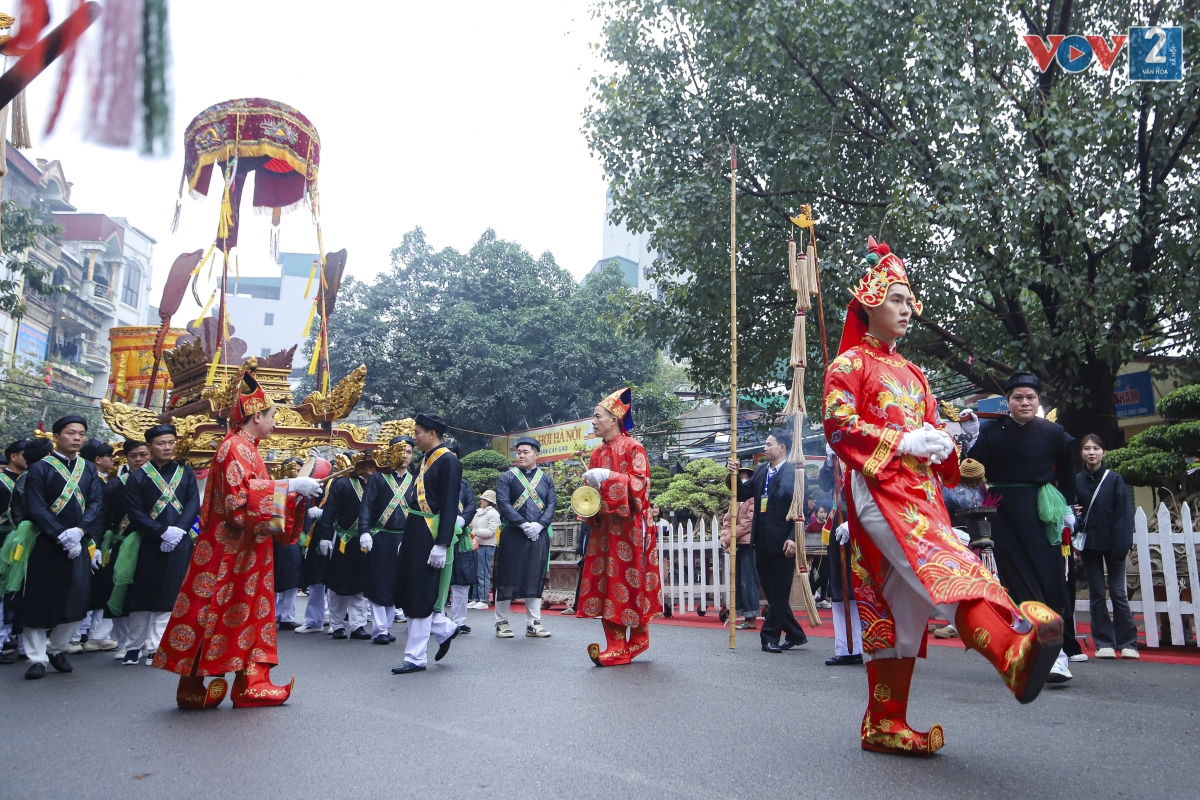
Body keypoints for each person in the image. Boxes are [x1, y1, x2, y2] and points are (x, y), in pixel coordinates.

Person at [823, 237, 1063, 756]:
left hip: (921, 495)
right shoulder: (847, 366)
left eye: (910, 301)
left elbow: (935, 433)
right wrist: (902, 441)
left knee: (902, 607)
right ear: (869, 303)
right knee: (946, 571)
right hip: (882, 491)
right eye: (897, 300)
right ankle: (1009, 656)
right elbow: (837, 426)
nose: (907, 310)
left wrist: (941, 442)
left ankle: (884, 722)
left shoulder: (914, 374)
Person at [153, 369, 320, 709]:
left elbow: (253, 499)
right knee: (214, 611)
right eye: (273, 416)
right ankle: (217, 685)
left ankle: (241, 683)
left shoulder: (247, 448)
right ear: (256, 416)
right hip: (228, 553)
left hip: (243, 550)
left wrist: (291, 496)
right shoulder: (236, 448)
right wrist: (289, 487)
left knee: (238, 612)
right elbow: (237, 505)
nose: (275, 422)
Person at [966, 371, 1078, 683]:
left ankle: (1058, 655)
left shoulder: (1053, 432)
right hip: (1004, 509)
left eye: (1030, 397)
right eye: (1018, 397)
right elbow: (972, 467)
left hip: (1043, 508)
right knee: (1016, 579)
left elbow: (1069, 469)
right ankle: (1029, 649)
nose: (1024, 402)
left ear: (1038, 401)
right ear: (1008, 401)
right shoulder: (992, 430)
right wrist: (970, 442)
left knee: (1050, 578)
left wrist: (1067, 505)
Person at [11, 416, 104, 680]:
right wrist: (60, 533)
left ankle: (57, 649)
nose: (76, 438)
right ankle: (36, 657)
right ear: (57, 436)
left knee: (76, 598)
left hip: (78, 542)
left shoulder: (88, 468)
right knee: (38, 599)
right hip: (45, 542)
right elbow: (35, 506)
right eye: (70, 433)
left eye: (81, 433)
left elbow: (96, 503)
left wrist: (80, 531)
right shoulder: (40, 468)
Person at [576, 388, 662, 666]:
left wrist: (610, 476)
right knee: (604, 584)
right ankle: (616, 644)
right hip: (604, 530)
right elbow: (591, 497)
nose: (593, 421)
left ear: (614, 419)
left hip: (631, 530)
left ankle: (637, 638)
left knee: (628, 581)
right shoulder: (596, 453)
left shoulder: (634, 448)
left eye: (597, 416)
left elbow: (640, 488)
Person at [116, 424, 200, 667]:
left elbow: (193, 504)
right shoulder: (138, 477)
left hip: (180, 541)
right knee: (142, 594)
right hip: (149, 542)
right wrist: (161, 532)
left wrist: (178, 531)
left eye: (171, 442)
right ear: (150, 446)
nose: (167, 447)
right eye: (161, 443)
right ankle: (134, 646)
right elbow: (135, 512)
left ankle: (157, 646)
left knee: (170, 595)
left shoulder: (185, 473)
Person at [391, 413, 463, 674]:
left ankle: (416, 656)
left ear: (432, 434)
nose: (415, 436)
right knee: (408, 588)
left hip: (431, 532)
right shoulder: (424, 460)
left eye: (419, 432)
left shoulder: (448, 462)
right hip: (414, 529)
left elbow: (450, 505)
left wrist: (442, 543)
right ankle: (445, 628)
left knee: (421, 591)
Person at [726, 429, 808, 654]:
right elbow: (742, 493)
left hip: (783, 543)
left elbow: (801, 512)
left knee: (779, 593)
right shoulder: (761, 471)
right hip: (761, 541)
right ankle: (795, 633)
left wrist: (793, 538)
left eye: (769, 444)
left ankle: (769, 637)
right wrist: (733, 474)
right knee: (773, 594)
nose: (765, 447)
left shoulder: (795, 473)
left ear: (782, 447)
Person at [1075, 434, 1138, 660]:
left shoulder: (1115, 480)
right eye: (1087, 449)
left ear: (1104, 453)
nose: (1092, 452)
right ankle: (1103, 642)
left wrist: (1120, 548)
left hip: (1114, 545)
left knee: (1119, 593)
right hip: (1090, 545)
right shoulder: (1077, 481)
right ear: (1081, 453)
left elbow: (1123, 517)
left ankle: (1128, 642)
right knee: (1097, 593)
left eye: (1096, 448)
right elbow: (1073, 514)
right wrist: (1074, 514)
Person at [494, 436, 556, 639]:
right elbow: (504, 504)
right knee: (506, 577)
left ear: (536, 454)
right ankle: (501, 622)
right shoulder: (507, 477)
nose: (520, 455)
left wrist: (539, 525)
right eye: (518, 452)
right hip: (513, 533)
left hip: (538, 534)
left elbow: (551, 505)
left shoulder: (546, 478)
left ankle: (533, 623)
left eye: (525, 452)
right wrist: (522, 524)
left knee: (534, 577)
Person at [98, 439, 152, 659]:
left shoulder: (161, 483)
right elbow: (103, 515)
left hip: (150, 544)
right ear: (126, 458)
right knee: (118, 591)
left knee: (146, 592)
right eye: (133, 456)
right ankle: (123, 641)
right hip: (120, 544)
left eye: (143, 454)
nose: (138, 459)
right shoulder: (115, 484)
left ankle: (146, 640)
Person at [360, 437, 414, 645]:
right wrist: (364, 531)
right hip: (380, 536)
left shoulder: (416, 479)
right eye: (401, 451)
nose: (405, 456)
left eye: (409, 452)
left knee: (396, 582)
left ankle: (387, 626)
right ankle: (380, 628)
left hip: (404, 537)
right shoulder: (378, 479)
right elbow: (366, 506)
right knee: (379, 582)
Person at [317, 451, 374, 642]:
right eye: (369, 465)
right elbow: (330, 511)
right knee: (337, 585)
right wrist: (325, 536)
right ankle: (338, 624)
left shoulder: (376, 485)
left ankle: (358, 625)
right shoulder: (342, 484)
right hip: (343, 539)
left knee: (360, 586)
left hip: (364, 542)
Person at [818, 448, 862, 666]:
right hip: (838, 524)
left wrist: (855, 522)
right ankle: (845, 647)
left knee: (859, 587)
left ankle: (866, 644)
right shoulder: (835, 460)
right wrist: (829, 461)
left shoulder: (863, 454)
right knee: (839, 588)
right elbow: (824, 486)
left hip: (862, 525)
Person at [0, 439, 29, 665]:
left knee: (19, 593)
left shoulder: (30, 480)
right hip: (3, 542)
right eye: (24, 454)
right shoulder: (1, 481)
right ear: (13, 456)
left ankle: (21, 643)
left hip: (23, 543)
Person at [720, 468, 757, 629]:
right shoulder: (734, 500)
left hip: (748, 543)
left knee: (748, 580)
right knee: (738, 580)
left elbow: (748, 522)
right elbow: (727, 520)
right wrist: (724, 538)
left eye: (745, 478)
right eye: (739, 478)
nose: (742, 480)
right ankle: (743, 614)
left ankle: (752, 617)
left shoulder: (753, 498)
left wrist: (729, 537)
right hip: (736, 543)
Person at [273, 458, 307, 631]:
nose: (295, 472)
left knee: (291, 577)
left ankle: (288, 616)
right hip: (274, 536)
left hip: (293, 538)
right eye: (292, 469)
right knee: (271, 577)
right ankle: (270, 615)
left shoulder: (306, 491)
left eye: (299, 469)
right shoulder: (277, 487)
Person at [468, 489, 500, 609]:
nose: (481, 500)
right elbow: (473, 525)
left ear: (489, 501)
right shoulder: (479, 512)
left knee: (483, 572)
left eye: (484, 499)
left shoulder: (494, 514)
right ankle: (476, 598)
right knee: (476, 572)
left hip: (487, 545)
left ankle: (484, 599)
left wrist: (477, 532)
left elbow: (492, 531)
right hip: (477, 544)